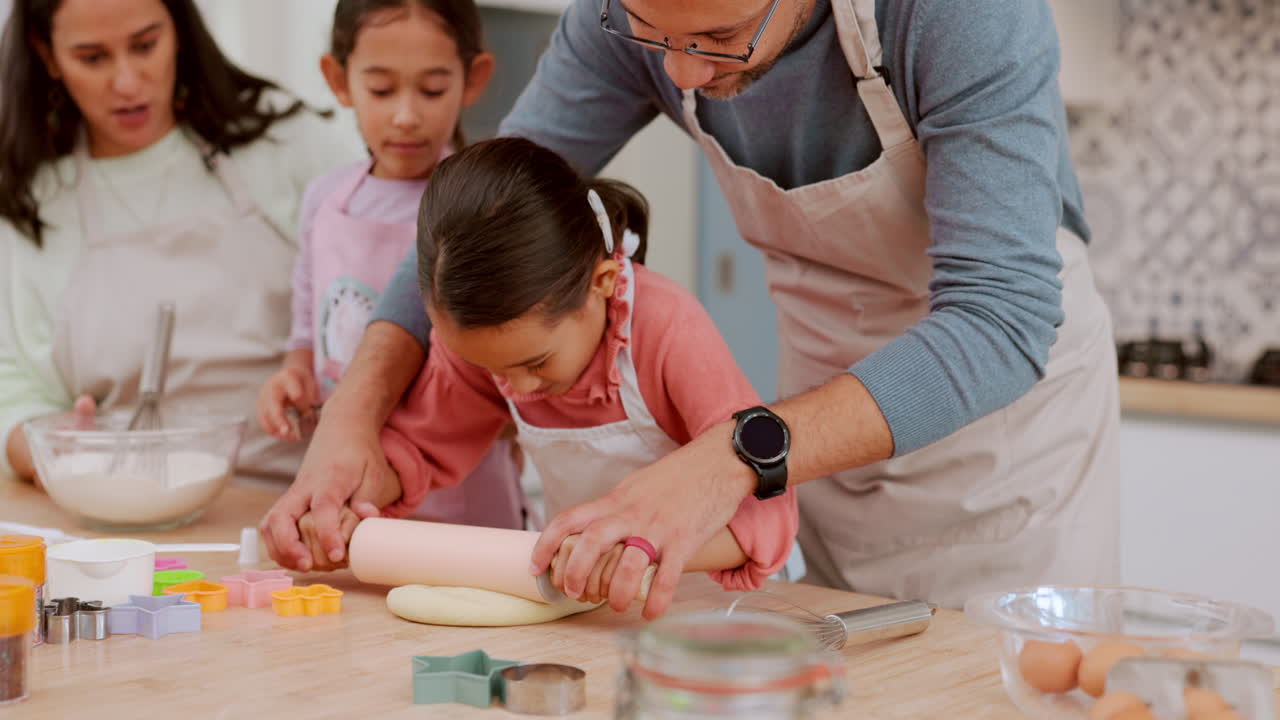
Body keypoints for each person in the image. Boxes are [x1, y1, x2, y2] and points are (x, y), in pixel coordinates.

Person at [264, 0, 1121, 618]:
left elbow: (1000, 319)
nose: (680, 73)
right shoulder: (629, 18)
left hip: (1004, 435)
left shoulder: (959, 17)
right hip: (818, 401)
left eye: (716, 38)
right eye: (654, 35)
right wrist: (353, 421)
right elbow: (473, 224)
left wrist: (730, 458)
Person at [285, 137, 797, 601]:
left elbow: (768, 504)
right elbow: (420, 447)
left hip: (714, 604)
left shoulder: (667, 330)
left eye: (536, 362)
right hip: (590, 605)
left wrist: (638, 549)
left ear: (601, 282)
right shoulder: (494, 346)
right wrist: (344, 508)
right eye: (491, 368)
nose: (517, 387)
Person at [0, 0, 361, 484]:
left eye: (146, 45)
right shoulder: (33, 201)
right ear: (47, 56)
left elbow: (381, 302)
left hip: (307, 498)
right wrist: (46, 445)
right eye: (92, 58)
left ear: (180, 32)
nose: (127, 82)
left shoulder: (286, 142)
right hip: (126, 505)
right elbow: (13, 385)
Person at [255, 0, 526, 537]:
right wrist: (293, 375)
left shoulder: (483, 206)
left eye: (431, 90)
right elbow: (309, 330)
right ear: (338, 79)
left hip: (463, 500)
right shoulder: (325, 199)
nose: (405, 115)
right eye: (381, 90)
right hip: (348, 490)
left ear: (473, 80)